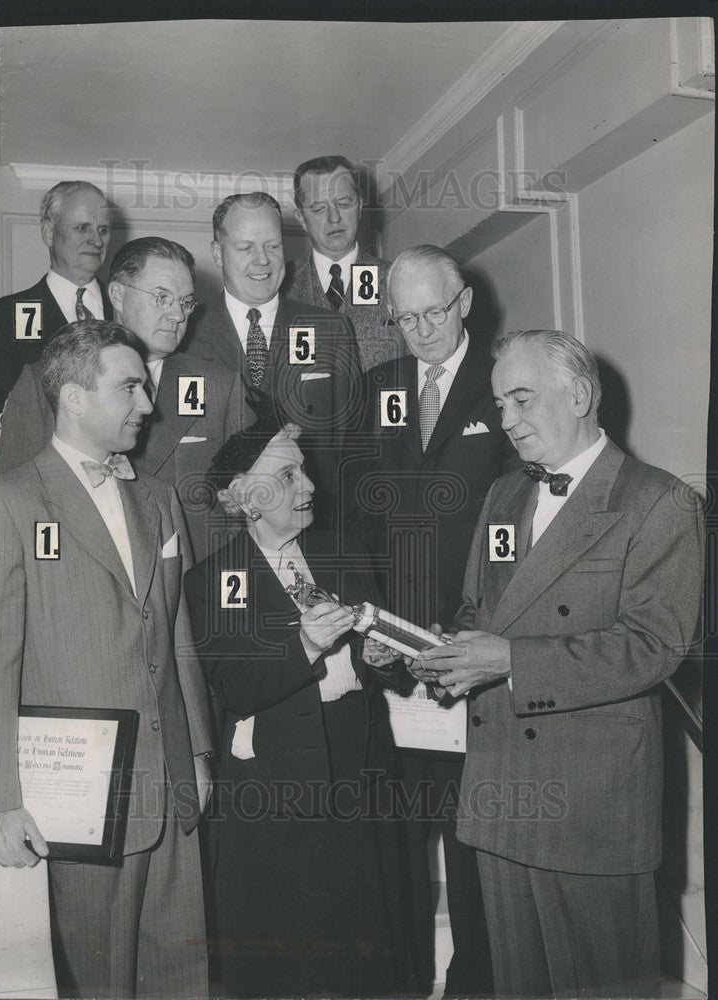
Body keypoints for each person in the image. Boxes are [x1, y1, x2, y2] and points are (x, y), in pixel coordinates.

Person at [409, 329, 704, 997]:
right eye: (500, 404)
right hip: (499, 797)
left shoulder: (659, 503)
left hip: (589, 810)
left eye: (521, 399)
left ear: (579, 395)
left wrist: (510, 659)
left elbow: (654, 647)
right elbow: (477, 615)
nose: (506, 421)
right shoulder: (503, 497)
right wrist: (430, 649)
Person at [0, 320, 213, 999]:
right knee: (95, 982)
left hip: (171, 788)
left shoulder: (156, 499)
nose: (147, 403)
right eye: (129, 386)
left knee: (180, 977)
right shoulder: (3, 507)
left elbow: (175, 631)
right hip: (77, 800)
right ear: (72, 397)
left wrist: (200, 755)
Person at [184, 408, 414, 998]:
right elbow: (236, 687)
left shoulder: (346, 550)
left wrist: (387, 662)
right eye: (288, 476)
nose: (308, 485)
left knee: (367, 952)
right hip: (275, 786)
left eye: (303, 470)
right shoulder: (215, 580)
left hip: (360, 772)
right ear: (244, 498)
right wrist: (308, 642)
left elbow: (377, 659)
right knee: (289, 958)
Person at [345, 244, 511, 995]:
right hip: (394, 659)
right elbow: (354, 515)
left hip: (478, 660)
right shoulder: (381, 388)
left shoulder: (506, 383)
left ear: (464, 301)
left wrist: (485, 633)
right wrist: (371, 630)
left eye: (433, 312)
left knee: (475, 844)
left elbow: (523, 529)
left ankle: (475, 984)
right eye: (404, 318)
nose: (420, 331)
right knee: (399, 847)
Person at [0, 237, 248, 561]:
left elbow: (247, 512)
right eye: (162, 298)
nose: (178, 316)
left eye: (185, 303)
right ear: (117, 294)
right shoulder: (46, 379)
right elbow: (11, 505)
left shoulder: (219, 386)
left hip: (189, 592)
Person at [190, 191, 363, 524]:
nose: (262, 260)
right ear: (218, 253)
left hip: (313, 529)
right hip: (219, 534)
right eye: (246, 248)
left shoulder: (331, 329)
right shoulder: (187, 334)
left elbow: (352, 448)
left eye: (272, 246)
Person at [0, 181, 113, 428]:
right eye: (83, 228)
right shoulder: (1, 318)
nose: (96, 241)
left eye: (104, 230)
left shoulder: (131, 308)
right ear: (48, 232)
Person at [285, 155, 403, 370]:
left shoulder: (397, 279)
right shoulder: (281, 286)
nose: (334, 218)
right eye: (319, 208)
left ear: (359, 206)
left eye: (343, 203)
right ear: (301, 218)